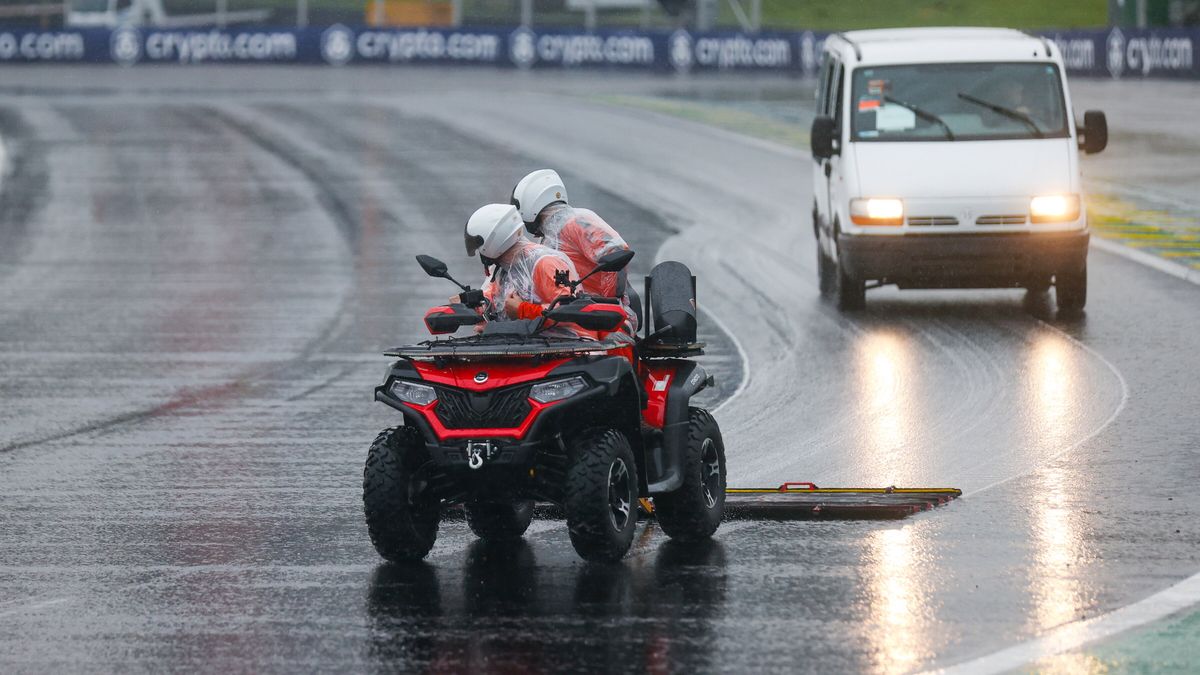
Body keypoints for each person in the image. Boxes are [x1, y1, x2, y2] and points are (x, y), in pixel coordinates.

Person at [510, 169, 638, 332]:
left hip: (601, 318)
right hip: (567, 315)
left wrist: (606, 301)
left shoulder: (575, 220)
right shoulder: (548, 238)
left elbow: (616, 250)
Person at [462, 203, 578, 328]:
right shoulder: (503, 269)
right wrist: (465, 306)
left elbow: (570, 311)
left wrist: (522, 310)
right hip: (521, 344)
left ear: (492, 241)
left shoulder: (545, 263)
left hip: (568, 345)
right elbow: (492, 305)